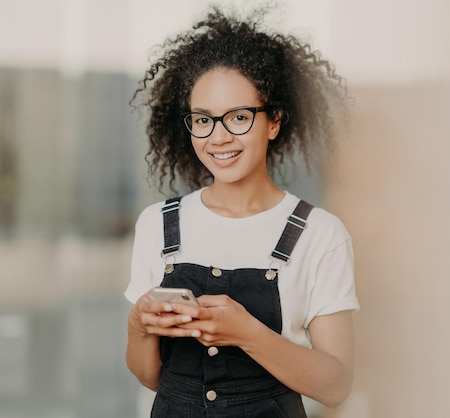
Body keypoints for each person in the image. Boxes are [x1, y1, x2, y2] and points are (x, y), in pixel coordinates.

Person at [124, 4, 359, 417]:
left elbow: (336, 385)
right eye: (203, 120)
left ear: (274, 121)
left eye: (238, 117)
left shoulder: (321, 234)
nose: (218, 138)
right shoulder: (157, 225)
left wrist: (248, 333)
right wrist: (139, 326)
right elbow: (150, 377)